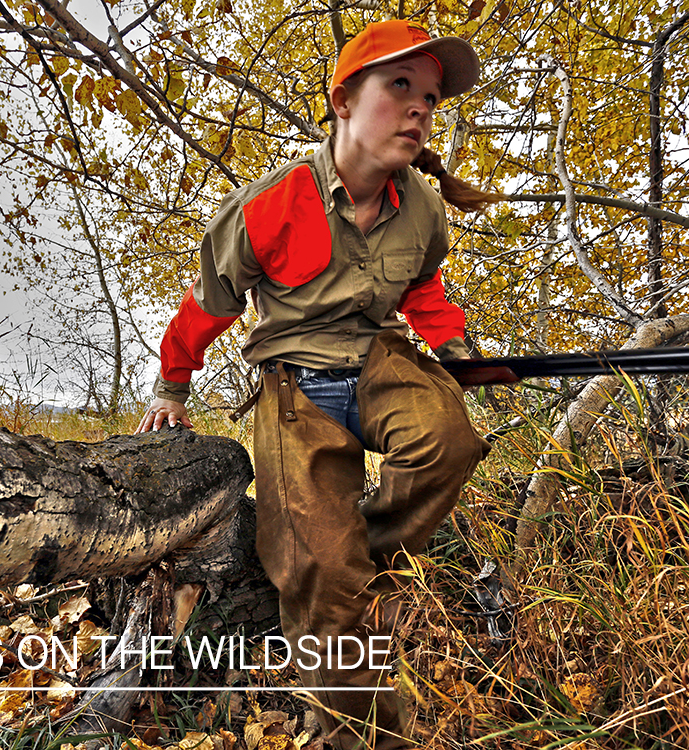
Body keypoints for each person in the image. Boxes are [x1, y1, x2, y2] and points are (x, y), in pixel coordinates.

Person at [136, 19, 498, 749]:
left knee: (448, 440)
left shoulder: (421, 208)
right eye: (400, 86)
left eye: (430, 96)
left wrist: (455, 348)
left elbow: (423, 291)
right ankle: (359, 734)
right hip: (293, 379)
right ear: (342, 101)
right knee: (323, 583)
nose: (421, 108)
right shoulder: (269, 205)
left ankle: (345, 553)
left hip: (378, 359)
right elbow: (210, 303)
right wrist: (171, 387)